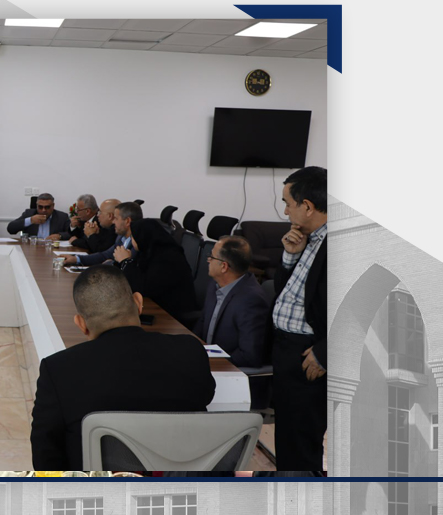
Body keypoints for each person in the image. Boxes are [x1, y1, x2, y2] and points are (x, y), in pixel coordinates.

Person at [30, 266, 216, 470]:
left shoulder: (58, 370)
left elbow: (45, 457)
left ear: (81, 324)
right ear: (138, 302)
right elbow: (205, 397)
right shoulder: (190, 351)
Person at [272, 166, 328, 471]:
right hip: (288, 350)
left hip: (310, 354)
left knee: (300, 445)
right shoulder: (309, 238)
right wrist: (291, 255)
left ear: (307, 206)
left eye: (288, 204)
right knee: (289, 438)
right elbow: (286, 294)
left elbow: (366, 306)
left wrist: (326, 352)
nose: (285, 211)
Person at [193, 236, 272, 368]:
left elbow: (249, 355)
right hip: (205, 362)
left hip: (228, 368)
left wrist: (211, 362)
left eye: (211, 257)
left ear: (224, 266)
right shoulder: (215, 284)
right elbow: (202, 322)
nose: (208, 260)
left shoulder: (251, 300)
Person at [116, 219, 198, 320]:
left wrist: (125, 261)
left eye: (133, 236)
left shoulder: (168, 258)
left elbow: (144, 288)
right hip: (156, 307)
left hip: (172, 317)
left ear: (143, 237)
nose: (132, 239)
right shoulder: (149, 252)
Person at [62, 201, 141, 266]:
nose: (113, 222)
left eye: (116, 218)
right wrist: (76, 259)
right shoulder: (121, 237)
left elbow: (130, 270)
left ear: (127, 221)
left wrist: (110, 263)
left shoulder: (138, 244)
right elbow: (105, 255)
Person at [6, 192, 71, 240]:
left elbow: (71, 233)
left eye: (47, 207)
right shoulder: (29, 214)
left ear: (53, 206)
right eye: (40, 207)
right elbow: (10, 229)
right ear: (36, 206)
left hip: (52, 248)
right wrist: (30, 220)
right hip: (32, 248)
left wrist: (59, 236)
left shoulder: (62, 217)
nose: (43, 210)